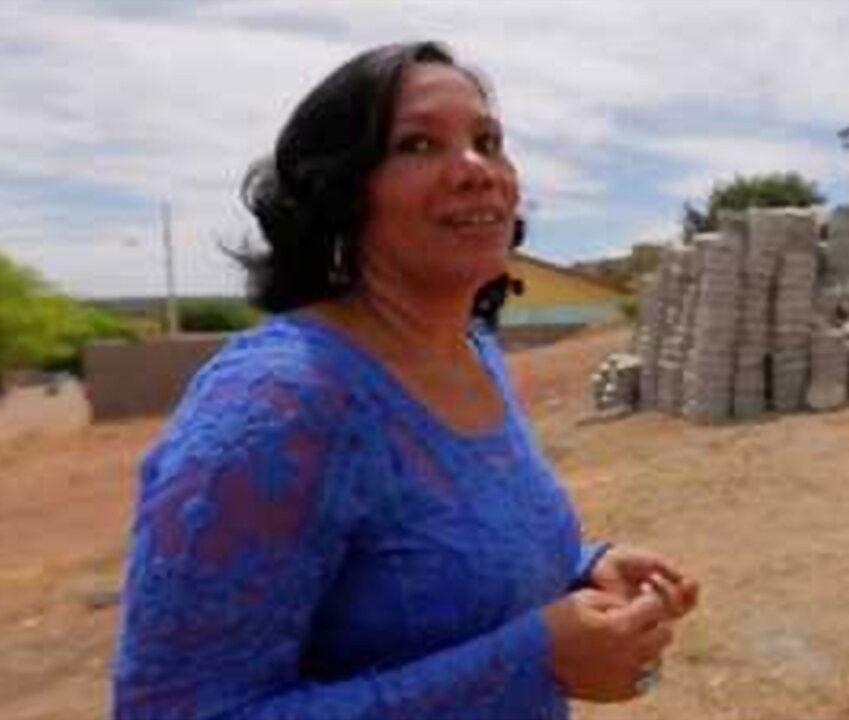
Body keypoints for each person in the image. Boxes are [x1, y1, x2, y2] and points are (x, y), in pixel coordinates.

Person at [112, 41, 699, 719]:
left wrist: (581, 566)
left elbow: (419, 568)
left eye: (488, 141)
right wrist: (531, 662)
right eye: (418, 144)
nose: (477, 170)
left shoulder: (472, 354)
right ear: (342, 193)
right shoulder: (279, 401)